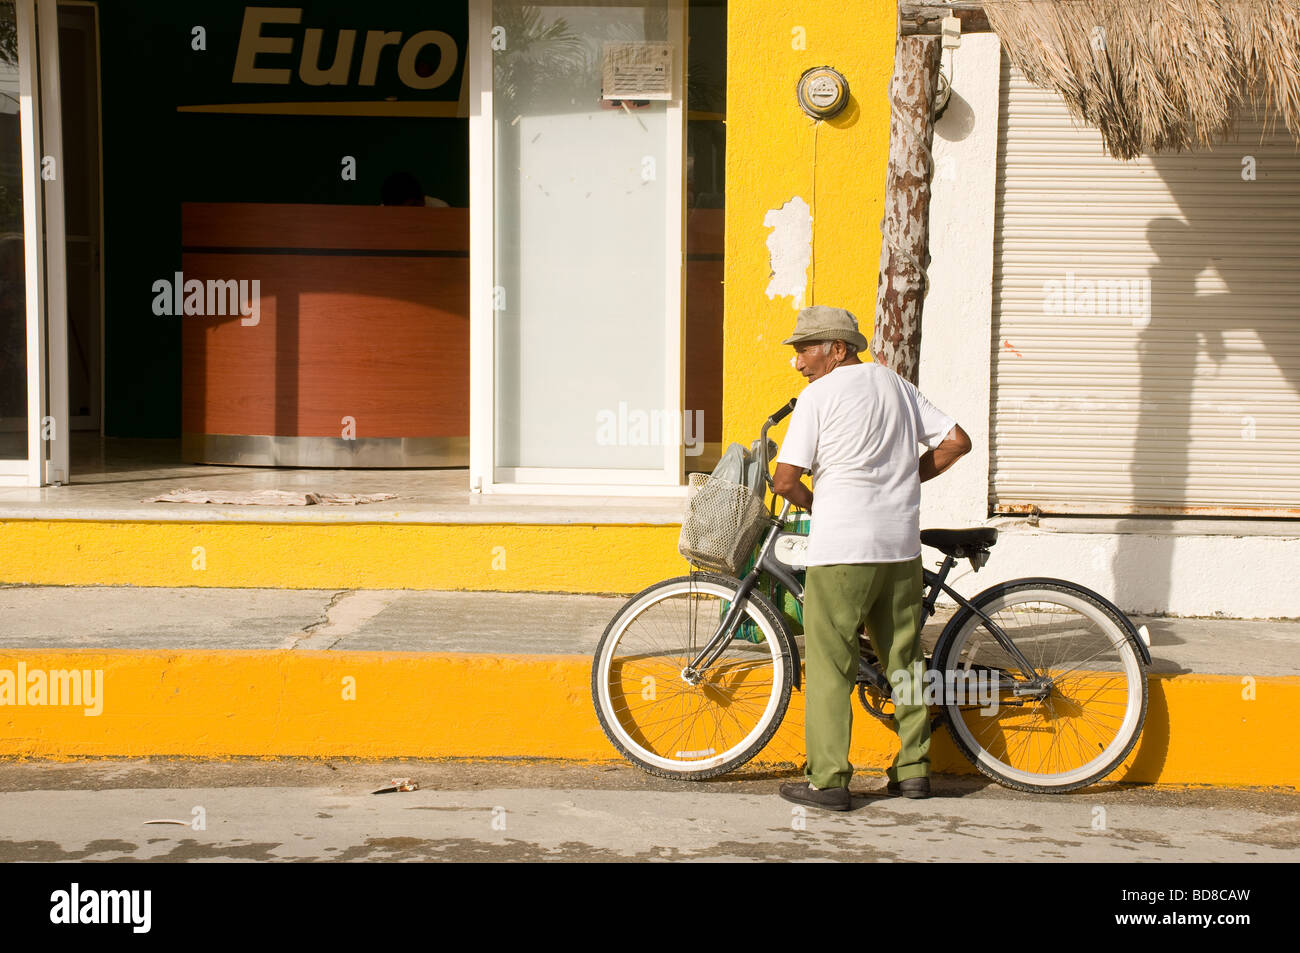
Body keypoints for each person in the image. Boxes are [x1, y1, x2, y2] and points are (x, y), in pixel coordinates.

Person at [772, 305, 971, 812]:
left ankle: (830, 781)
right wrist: (903, 479)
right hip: (900, 545)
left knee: (830, 663)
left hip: (843, 550)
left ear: (838, 349)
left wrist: (820, 503)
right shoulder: (895, 385)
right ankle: (914, 772)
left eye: (805, 349)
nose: (798, 363)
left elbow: (785, 481)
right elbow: (956, 442)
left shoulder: (818, 396)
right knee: (904, 659)